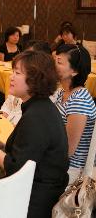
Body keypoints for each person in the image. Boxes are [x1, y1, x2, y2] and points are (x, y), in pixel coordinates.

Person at [0, 51, 69, 218]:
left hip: (35, 201)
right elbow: (30, 153)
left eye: (17, 73)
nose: (11, 77)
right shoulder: (41, 107)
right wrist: (2, 146)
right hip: (40, 191)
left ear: (36, 79)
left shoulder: (36, 115)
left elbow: (16, 169)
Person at [54, 44, 96, 183]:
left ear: (74, 71)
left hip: (70, 173)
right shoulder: (62, 92)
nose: (53, 64)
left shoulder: (79, 100)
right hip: (58, 162)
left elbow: (67, 150)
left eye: (59, 62)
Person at [0, 41, 53, 126]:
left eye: (17, 73)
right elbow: (7, 106)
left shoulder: (38, 111)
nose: (10, 77)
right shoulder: (21, 90)